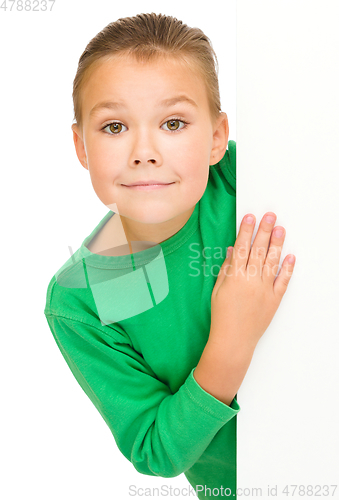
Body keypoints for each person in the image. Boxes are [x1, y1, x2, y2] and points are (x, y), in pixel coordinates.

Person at [43, 12, 296, 499]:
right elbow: (156, 448)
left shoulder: (250, 176)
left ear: (217, 138)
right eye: (114, 126)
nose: (144, 151)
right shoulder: (82, 301)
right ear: (81, 146)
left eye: (173, 123)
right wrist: (230, 341)